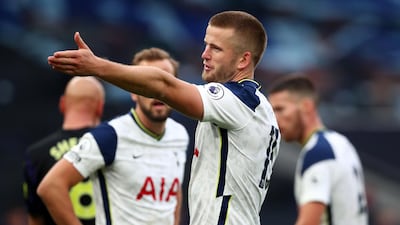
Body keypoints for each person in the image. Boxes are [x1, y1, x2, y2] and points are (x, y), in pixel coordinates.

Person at [46, 10, 281, 225]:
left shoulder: (238, 101)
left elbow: (162, 85)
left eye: (216, 49)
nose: (204, 55)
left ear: (243, 60)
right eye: (205, 45)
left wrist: (98, 67)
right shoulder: (263, 110)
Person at [38, 47, 189, 225]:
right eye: (147, 84)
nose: (156, 91)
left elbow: (174, 191)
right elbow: (51, 186)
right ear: (133, 91)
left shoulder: (180, 134)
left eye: (164, 83)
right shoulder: (110, 136)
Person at [267, 75, 368, 225]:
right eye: (271, 111)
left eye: (280, 109)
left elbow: (309, 222)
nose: (274, 118)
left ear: (306, 106)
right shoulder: (340, 142)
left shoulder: (318, 153)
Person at [23, 76, 106, 225]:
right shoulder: (111, 145)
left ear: (62, 104)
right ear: (100, 107)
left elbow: (35, 218)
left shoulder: (36, 155)